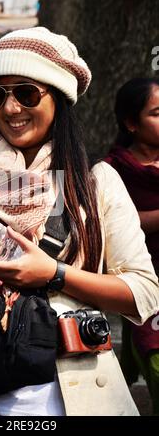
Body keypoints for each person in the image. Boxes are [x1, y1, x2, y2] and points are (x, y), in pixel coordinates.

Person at [0, 27, 159, 416]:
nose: (10, 109)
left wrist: (54, 274)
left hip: (76, 394)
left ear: (58, 97)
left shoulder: (95, 182)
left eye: (26, 92)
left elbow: (143, 293)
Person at [104, 77, 159, 415]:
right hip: (144, 285)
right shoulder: (112, 172)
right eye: (157, 112)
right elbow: (117, 224)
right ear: (131, 123)